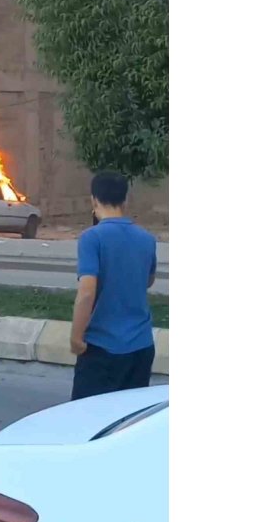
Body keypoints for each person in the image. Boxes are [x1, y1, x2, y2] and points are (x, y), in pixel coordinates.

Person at [69, 171, 158, 401]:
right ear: (125, 200)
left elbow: (87, 292)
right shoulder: (146, 238)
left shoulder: (92, 238)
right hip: (141, 347)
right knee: (128, 422)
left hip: (102, 348)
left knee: (88, 421)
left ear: (94, 200)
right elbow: (148, 280)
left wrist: (76, 338)